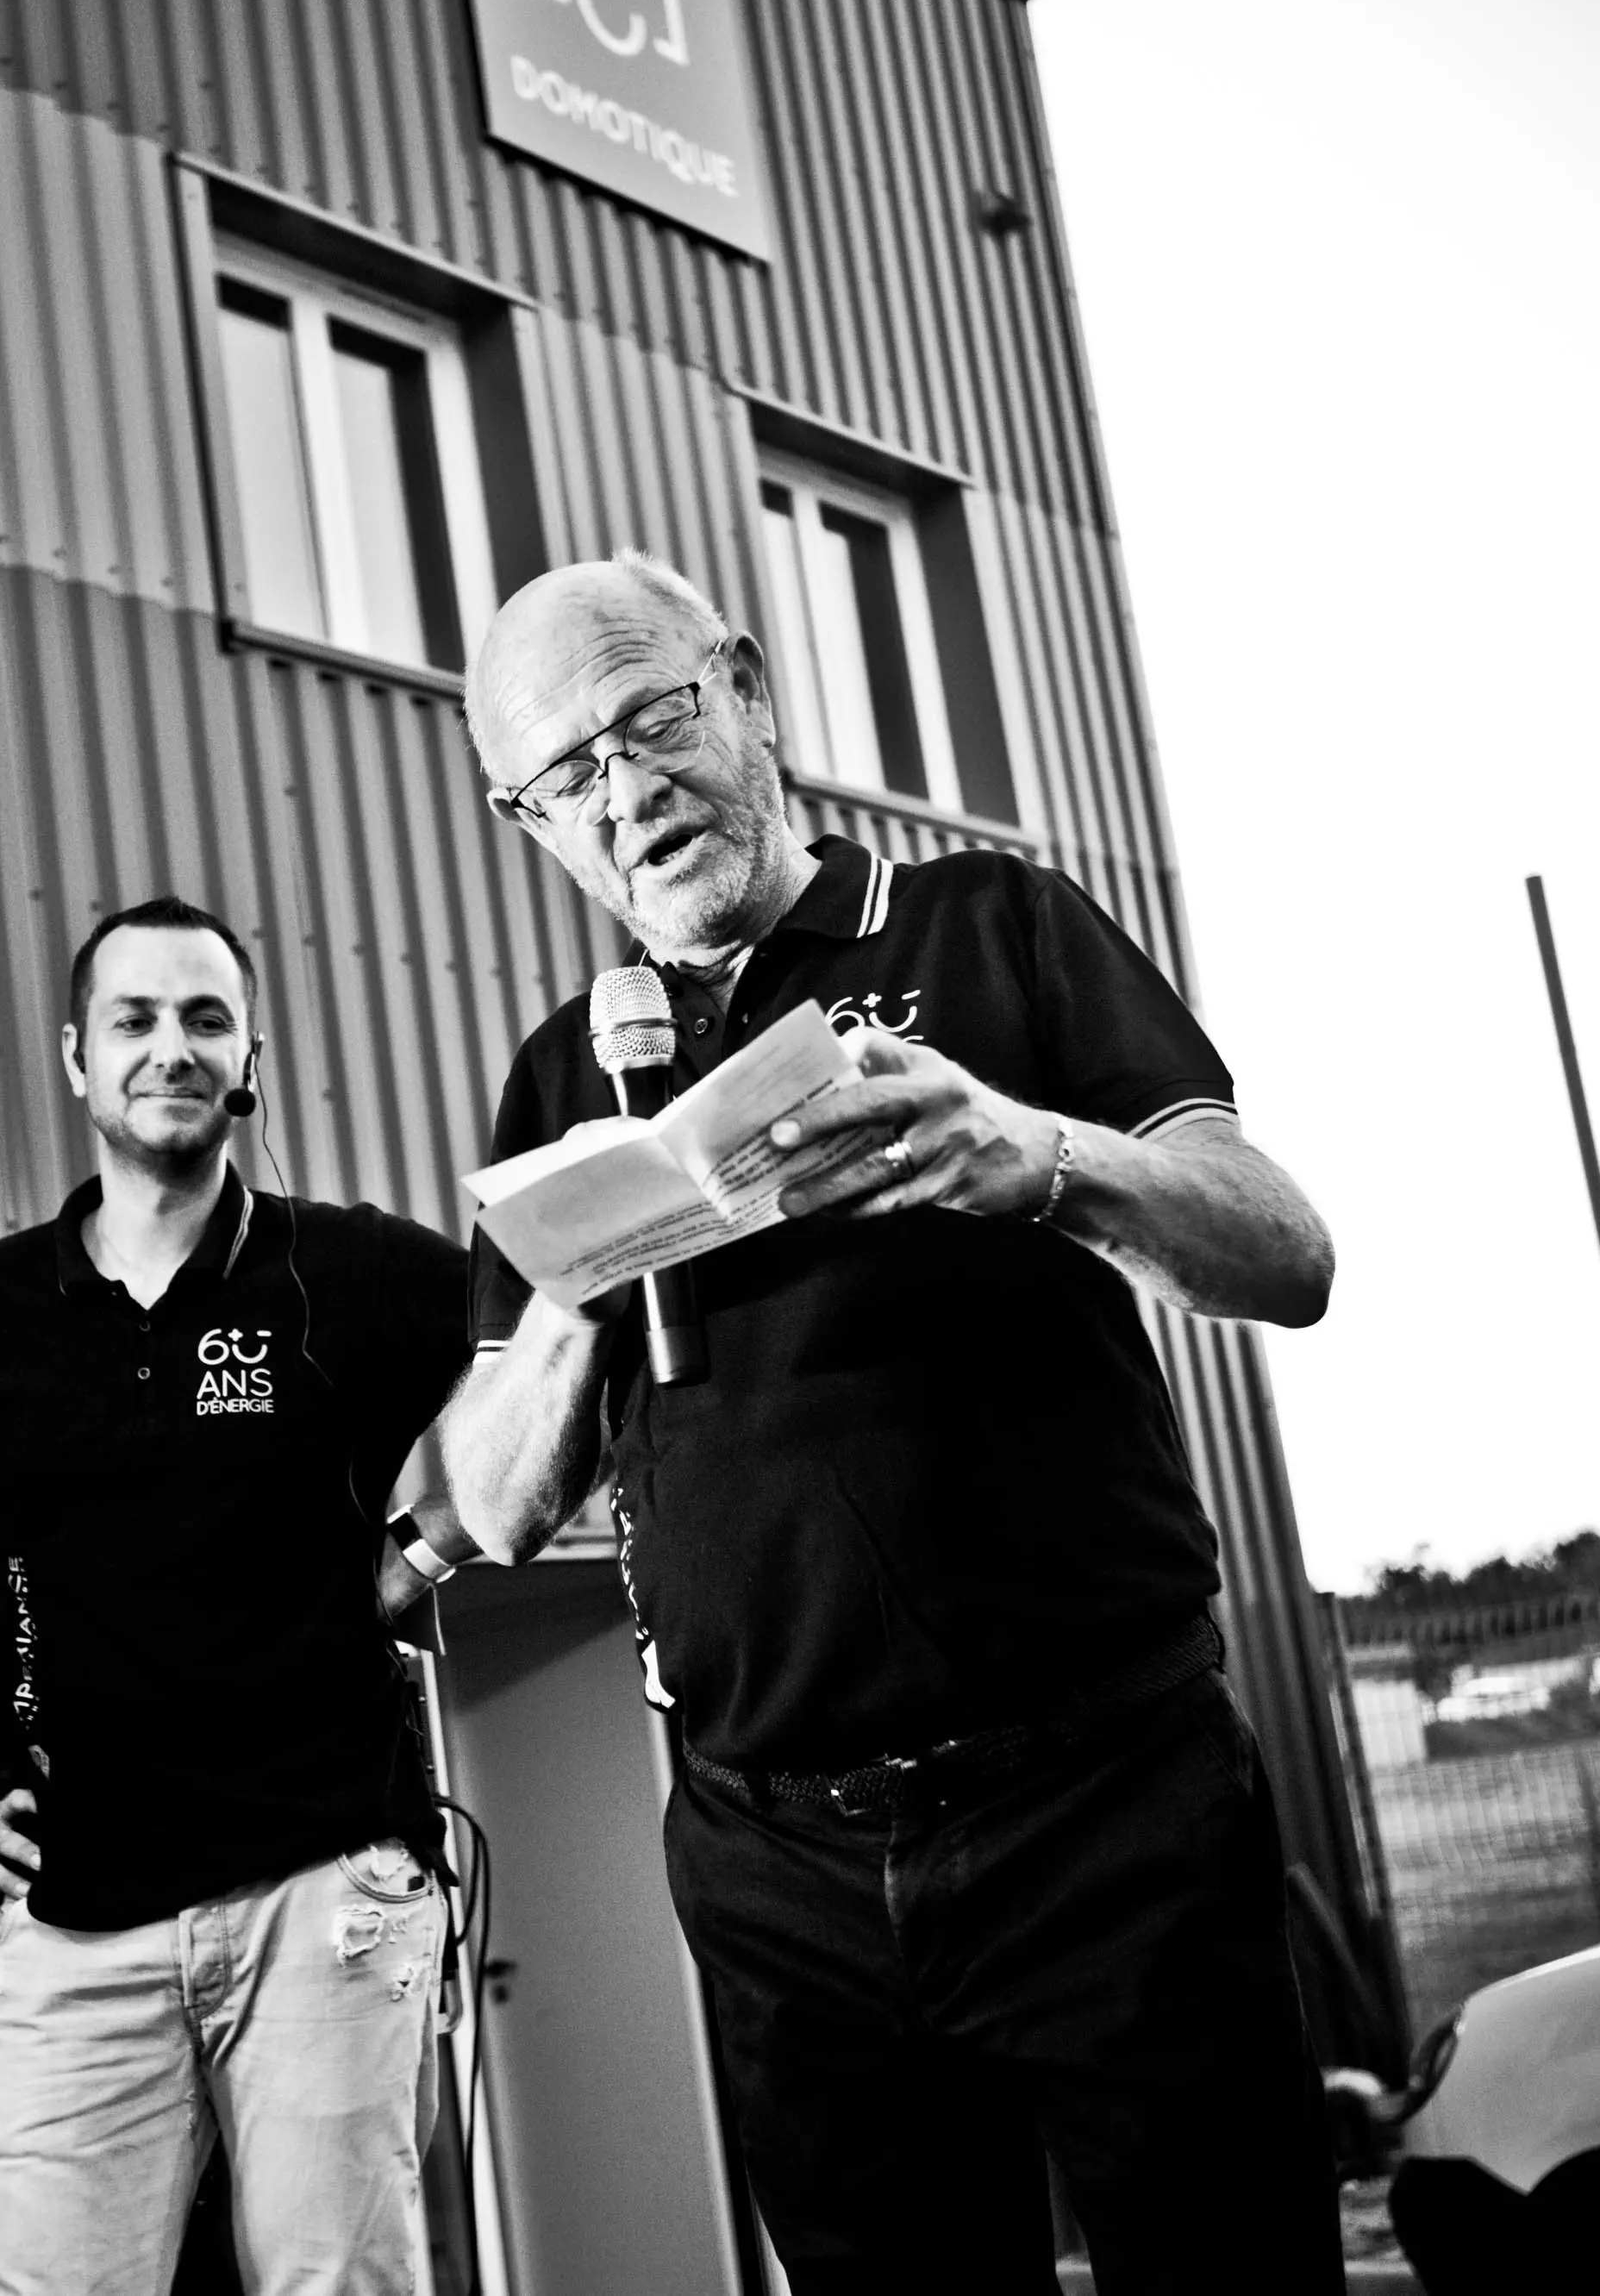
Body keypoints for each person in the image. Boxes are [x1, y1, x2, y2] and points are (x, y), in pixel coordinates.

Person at [442, 554, 1346, 2291]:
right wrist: (575, 1280)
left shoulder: (994, 925)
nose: (624, 793)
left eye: (648, 720)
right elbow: (489, 1503)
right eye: (564, 776)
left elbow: (1283, 1251)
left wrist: (1037, 1156)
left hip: (1102, 1810)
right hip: (771, 1860)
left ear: (745, 687)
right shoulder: (561, 1081)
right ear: (527, 819)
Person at [0, 895, 478, 2294]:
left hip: (327, 1889)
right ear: (78, 1055)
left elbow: (573, 1343)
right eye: (133, 1018)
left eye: (205, 1016)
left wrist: (429, 1546)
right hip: (76, 1918)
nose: (170, 1046)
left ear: (250, 1055)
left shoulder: (361, 1270)